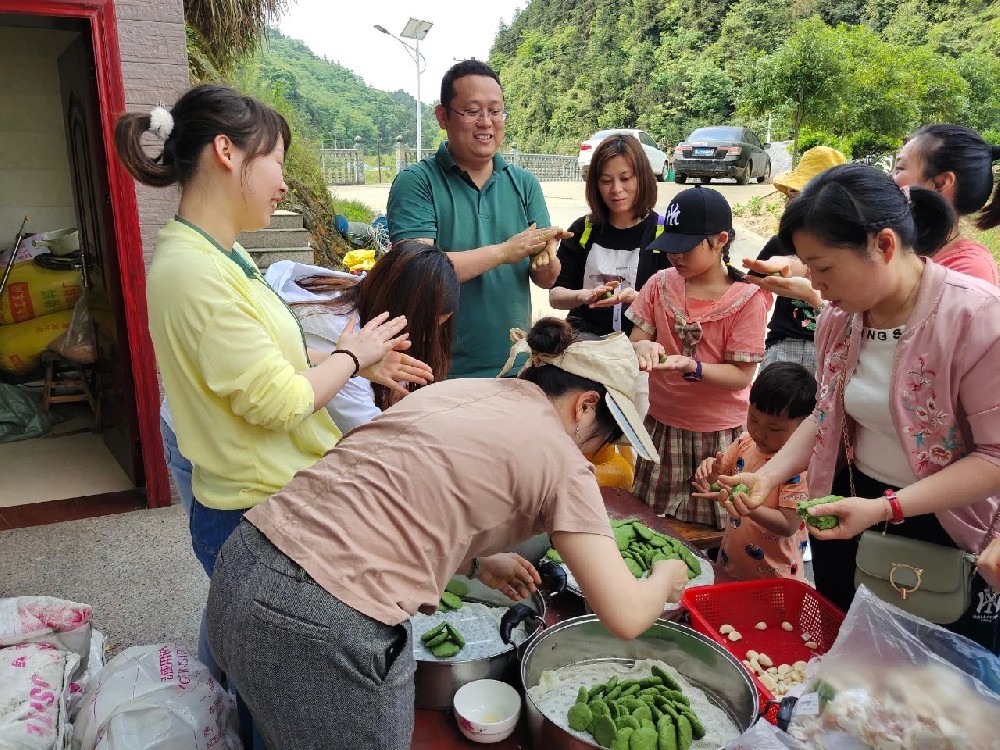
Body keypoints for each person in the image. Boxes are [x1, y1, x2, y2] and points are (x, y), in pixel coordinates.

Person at [115, 84, 434, 746]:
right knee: (282, 705)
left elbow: (266, 358)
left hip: (271, 504)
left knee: (271, 687)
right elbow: (277, 401)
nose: (284, 182)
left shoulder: (222, 255)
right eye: (277, 161)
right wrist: (351, 354)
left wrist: (357, 364)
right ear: (227, 153)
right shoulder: (193, 271)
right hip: (253, 514)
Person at [205, 317, 690, 750]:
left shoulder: (460, 391)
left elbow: (391, 500)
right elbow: (626, 614)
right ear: (586, 406)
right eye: (603, 441)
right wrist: (666, 576)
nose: (593, 456)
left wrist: (475, 563)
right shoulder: (562, 459)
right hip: (318, 624)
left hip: (241, 565)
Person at [722, 164, 1000, 653]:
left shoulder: (977, 319)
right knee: (846, 652)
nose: (816, 284)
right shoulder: (841, 318)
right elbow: (825, 415)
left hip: (942, 525)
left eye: (824, 268)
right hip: (849, 504)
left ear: (884, 245)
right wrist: (768, 477)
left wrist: (885, 508)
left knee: (928, 670)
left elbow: (994, 459)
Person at [159, 241, 459, 509]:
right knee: (226, 540)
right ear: (403, 308)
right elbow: (368, 433)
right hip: (206, 433)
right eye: (428, 326)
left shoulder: (363, 299)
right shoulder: (336, 333)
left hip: (247, 435)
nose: (429, 337)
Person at [387, 59, 567, 378]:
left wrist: (547, 256)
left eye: (495, 111)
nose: (486, 122)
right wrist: (503, 252)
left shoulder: (524, 184)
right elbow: (419, 275)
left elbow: (545, 279)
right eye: (472, 111)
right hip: (437, 371)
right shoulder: (417, 182)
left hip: (515, 365)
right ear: (443, 116)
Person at [627, 187, 771, 529]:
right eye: (670, 247)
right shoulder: (660, 284)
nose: (674, 257)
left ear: (720, 240)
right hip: (662, 427)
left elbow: (741, 376)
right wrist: (641, 348)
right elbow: (636, 340)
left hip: (719, 436)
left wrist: (693, 366)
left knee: (718, 525)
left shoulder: (747, 299)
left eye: (685, 248)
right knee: (652, 526)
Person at [692, 362, 815, 581]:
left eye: (774, 428)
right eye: (753, 419)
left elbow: (788, 525)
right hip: (732, 562)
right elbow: (720, 481)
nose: (759, 432)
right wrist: (710, 471)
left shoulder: (798, 469)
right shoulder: (744, 443)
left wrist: (748, 507)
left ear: (804, 428)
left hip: (775, 575)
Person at [548, 133, 670, 335]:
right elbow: (555, 296)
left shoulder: (663, 233)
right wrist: (584, 296)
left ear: (642, 178)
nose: (616, 189)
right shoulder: (583, 229)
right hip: (584, 343)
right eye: (606, 181)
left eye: (625, 178)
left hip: (641, 346)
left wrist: (639, 299)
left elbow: (679, 304)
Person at [742, 146, 848, 370]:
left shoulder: (850, 251)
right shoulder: (780, 242)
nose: (791, 204)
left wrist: (809, 290)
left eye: (800, 197)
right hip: (783, 342)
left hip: (830, 346)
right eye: (791, 195)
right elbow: (751, 285)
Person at [891, 123, 1000, 284]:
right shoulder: (897, 244)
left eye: (899, 169)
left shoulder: (969, 271)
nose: (890, 179)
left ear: (940, 183)